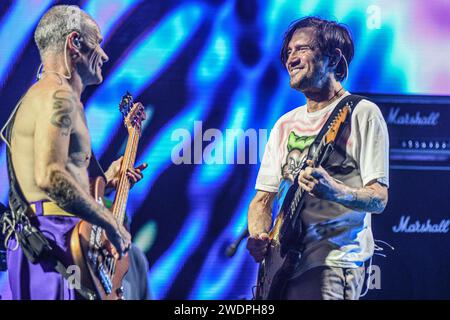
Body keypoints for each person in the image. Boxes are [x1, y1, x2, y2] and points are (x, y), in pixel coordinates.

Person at [2, 5, 147, 300]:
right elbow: (50, 177)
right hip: (53, 246)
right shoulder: (58, 97)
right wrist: (111, 224)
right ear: (74, 43)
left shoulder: (50, 95)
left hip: (55, 245)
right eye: (98, 44)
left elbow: (53, 179)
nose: (104, 56)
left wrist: (105, 180)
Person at [246, 16, 389, 300]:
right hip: (280, 268)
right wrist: (260, 235)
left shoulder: (361, 113)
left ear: (334, 58)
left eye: (302, 49)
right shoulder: (285, 124)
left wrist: (333, 190)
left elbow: (379, 198)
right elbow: (262, 199)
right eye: (288, 53)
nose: (291, 58)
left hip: (332, 263)